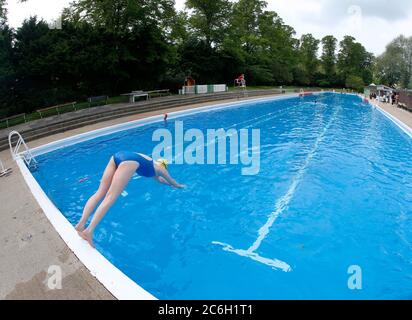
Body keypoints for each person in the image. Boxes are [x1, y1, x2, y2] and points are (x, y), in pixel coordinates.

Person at [75, 151, 185, 247]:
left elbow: (159, 180)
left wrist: (169, 184)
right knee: (110, 198)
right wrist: (179, 186)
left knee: (100, 193)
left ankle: (81, 224)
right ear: (164, 166)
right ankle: (89, 231)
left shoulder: (151, 164)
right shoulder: (161, 169)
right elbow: (171, 181)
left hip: (117, 156)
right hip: (129, 162)